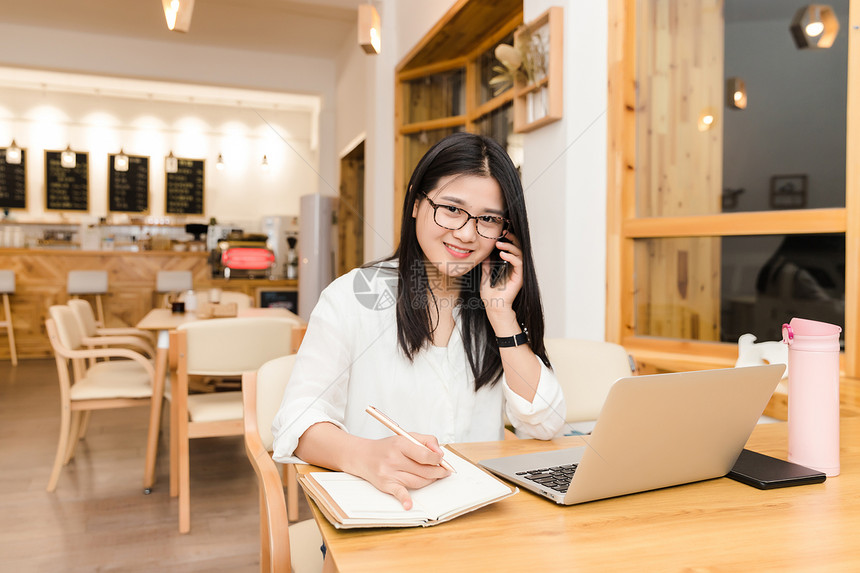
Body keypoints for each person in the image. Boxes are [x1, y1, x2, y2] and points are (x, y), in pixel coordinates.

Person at [272, 132, 565, 513]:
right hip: (385, 513)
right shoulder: (352, 297)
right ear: (415, 202)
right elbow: (295, 423)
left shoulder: (495, 305)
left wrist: (502, 316)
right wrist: (366, 455)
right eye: (452, 209)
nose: (466, 233)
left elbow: (544, 425)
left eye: (488, 219)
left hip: (480, 514)